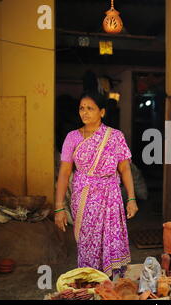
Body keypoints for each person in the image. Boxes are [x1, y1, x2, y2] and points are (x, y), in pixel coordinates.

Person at [54, 91, 138, 279]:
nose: (85, 113)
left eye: (90, 108)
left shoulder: (115, 136)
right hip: (84, 197)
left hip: (111, 196)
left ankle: (111, 284)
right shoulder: (72, 137)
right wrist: (59, 207)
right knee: (87, 243)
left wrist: (131, 198)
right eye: (81, 108)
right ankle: (90, 282)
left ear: (102, 112)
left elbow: (125, 169)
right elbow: (65, 173)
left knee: (111, 241)